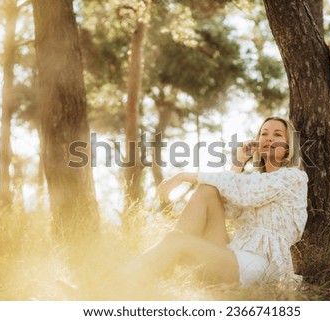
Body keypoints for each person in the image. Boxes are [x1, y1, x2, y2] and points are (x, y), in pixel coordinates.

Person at [122, 116, 308, 289]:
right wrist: (239, 162)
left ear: (288, 146)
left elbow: (243, 191)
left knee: (176, 239)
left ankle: (128, 278)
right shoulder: (253, 180)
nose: (268, 138)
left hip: (262, 263)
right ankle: (162, 263)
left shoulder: (293, 178)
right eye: (264, 134)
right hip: (234, 252)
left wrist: (184, 176)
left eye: (277, 134)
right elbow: (226, 204)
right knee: (207, 191)